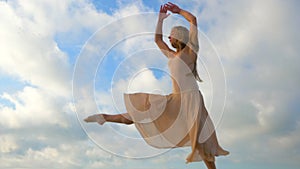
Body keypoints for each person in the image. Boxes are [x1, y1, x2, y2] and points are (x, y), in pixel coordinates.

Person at [84, 2, 229, 168]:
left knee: (201, 141)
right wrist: (160, 20)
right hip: (175, 100)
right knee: (141, 112)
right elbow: (157, 40)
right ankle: (104, 117)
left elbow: (193, 20)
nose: (169, 38)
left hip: (191, 100)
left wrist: (179, 11)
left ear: (180, 37)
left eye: (171, 35)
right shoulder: (172, 55)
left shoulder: (191, 52)